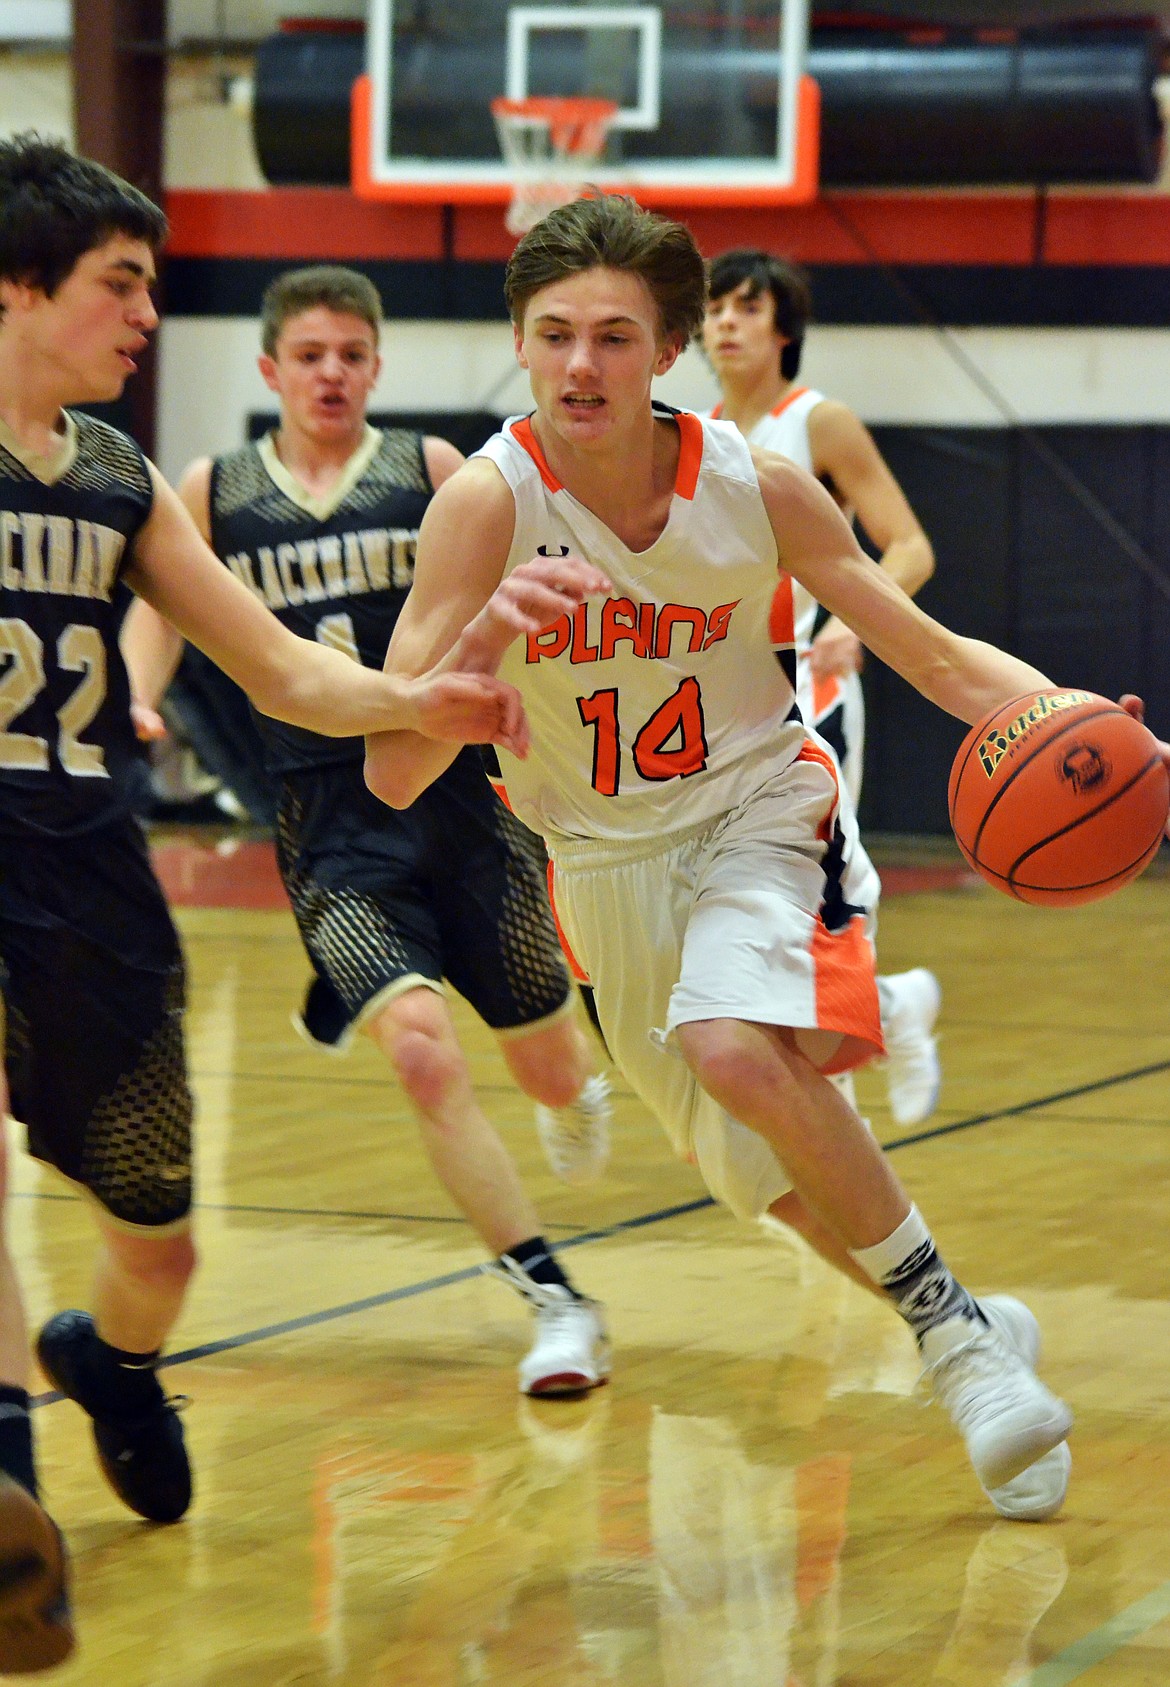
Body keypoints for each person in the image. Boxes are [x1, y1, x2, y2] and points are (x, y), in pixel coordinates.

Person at [362, 191, 1119, 1524]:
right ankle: (984, 1324)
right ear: (521, 344)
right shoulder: (484, 507)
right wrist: (483, 634)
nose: (580, 364)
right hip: (598, 861)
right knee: (764, 1182)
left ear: (667, 350)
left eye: (612, 335)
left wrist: (1065, 716)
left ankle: (952, 1348)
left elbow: (930, 654)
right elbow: (394, 764)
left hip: (759, 805)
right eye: (553, 334)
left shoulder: (751, 478)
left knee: (726, 1036)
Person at [0, 135, 590, 1673]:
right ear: (18, 284)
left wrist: (428, 695)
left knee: (159, 1240)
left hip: (90, 872)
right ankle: (9, 1472)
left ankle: (116, 1365)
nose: (145, 318)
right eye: (122, 287)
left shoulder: (120, 476)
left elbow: (278, 668)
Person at [121, 264, 612, 1399]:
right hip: (329, 829)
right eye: (310, 355)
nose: (331, 373)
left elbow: (510, 611)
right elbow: (161, 607)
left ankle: (571, 1088)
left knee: (546, 1069)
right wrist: (140, 705)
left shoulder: (433, 471)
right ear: (270, 370)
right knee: (427, 1057)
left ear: (377, 368)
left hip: (461, 803)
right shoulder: (214, 489)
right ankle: (557, 1298)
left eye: (351, 354)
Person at [701, 248, 942, 1130]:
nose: (725, 320)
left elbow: (909, 544)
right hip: (723, 706)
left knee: (808, 904)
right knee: (746, 909)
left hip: (817, 691)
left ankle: (834, 1118)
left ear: (784, 327)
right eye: (715, 306)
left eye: (746, 307)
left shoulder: (821, 424)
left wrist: (860, 617)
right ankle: (897, 1007)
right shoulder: (689, 431)